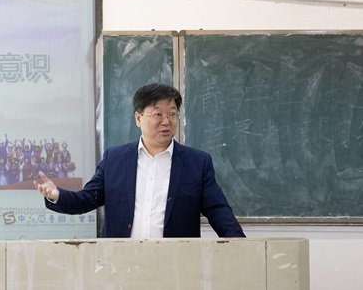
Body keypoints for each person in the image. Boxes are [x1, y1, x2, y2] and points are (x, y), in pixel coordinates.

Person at [34, 83, 245, 238]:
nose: (166, 121)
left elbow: (218, 210)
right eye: (158, 114)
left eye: (172, 114)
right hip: (121, 263)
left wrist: (240, 245)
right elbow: (88, 198)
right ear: (138, 118)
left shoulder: (197, 162)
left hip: (176, 265)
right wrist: (57, 196)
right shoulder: (115, 159)